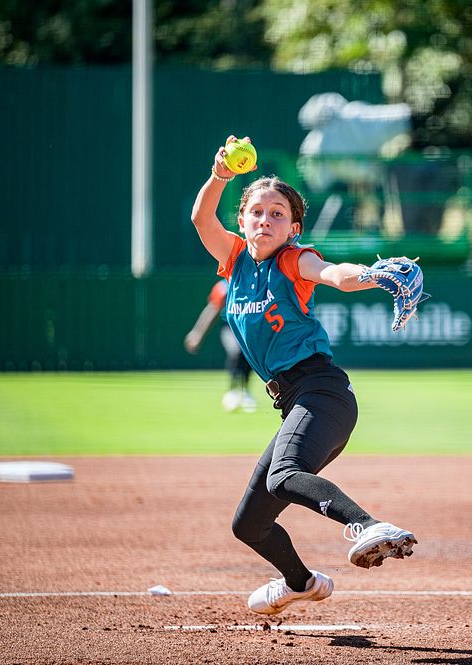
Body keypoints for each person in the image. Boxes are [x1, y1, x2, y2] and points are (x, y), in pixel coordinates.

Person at [190, 135, 418, 616]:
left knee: (285, 476)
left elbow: (334, 272)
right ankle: (301, 582)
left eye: (278, 214)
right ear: (243, 221)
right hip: (294, 402)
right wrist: (220, 176)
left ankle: (365, 524)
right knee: (248, 525)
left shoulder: (294, 260)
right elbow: (199, 219)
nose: (266, 219)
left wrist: (374, 275)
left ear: (293, 228)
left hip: (323, 393)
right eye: (257, 212)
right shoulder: (233, 261)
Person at [184, 279, 259, 413]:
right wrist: (197, 333)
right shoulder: (224, 286)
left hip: (248, 331)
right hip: (230, 329)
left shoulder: (256, 282)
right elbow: (212, 310)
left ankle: (245, 391)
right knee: (235, 352)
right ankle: (232, 391)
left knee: (248, 358)